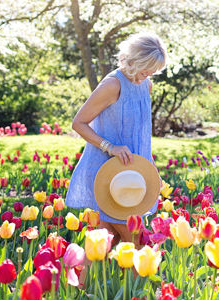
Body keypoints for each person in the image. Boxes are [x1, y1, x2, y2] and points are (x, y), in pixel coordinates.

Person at [67, 32, 167, 245]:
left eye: (152, 72)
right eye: (144, 69)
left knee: (105, 242)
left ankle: (76, 279)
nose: (147, 76)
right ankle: (144, 279)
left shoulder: (146, 85)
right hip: (110, 174)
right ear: (133, 60)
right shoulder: (113, 85)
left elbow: (141, 135)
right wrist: (110, 147)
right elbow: (78, 123)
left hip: (132, 175)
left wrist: (149, 168)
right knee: (137, 242)